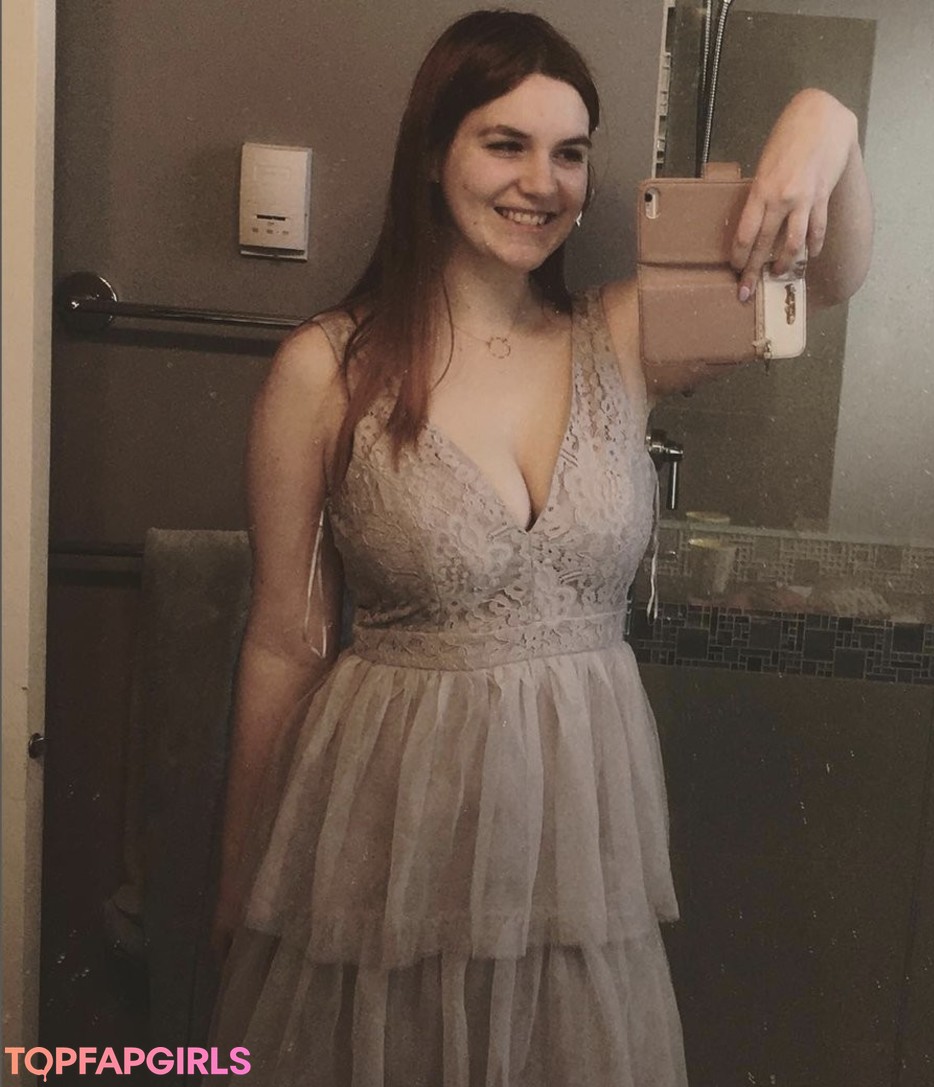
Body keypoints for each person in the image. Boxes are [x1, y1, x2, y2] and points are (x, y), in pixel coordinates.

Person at [207, 9, 872, 1085]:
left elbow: (828, 278)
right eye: (505, 143)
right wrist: (242, 878)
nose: (542, 182)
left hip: (575, 851)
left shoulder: (626, 335)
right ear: (433, 154)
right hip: (386, 838)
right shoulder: (325, 368)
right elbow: (284, 639)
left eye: (569, 153)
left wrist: (826, 120)